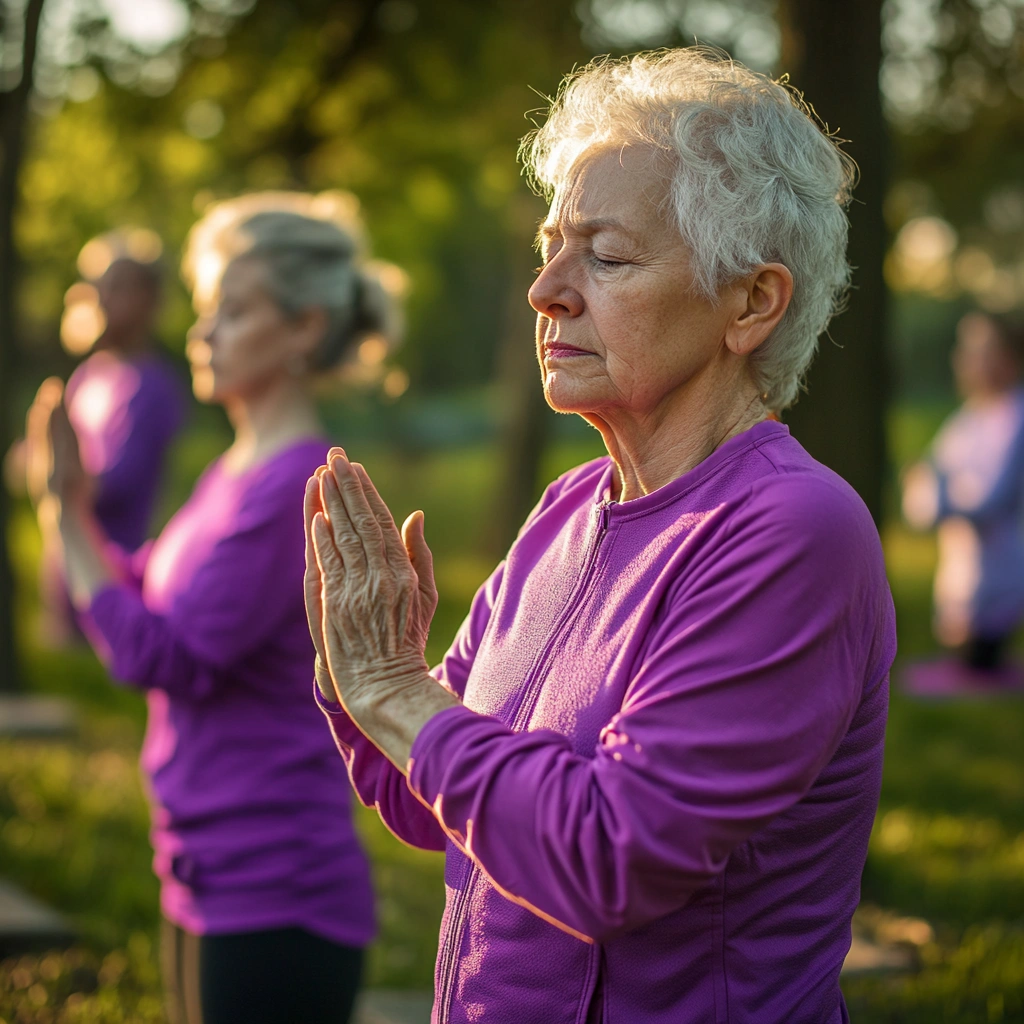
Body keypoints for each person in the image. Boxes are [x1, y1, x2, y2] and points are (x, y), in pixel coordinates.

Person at [304, 49, 896, 1024]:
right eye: (550, 246)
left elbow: (604, 859)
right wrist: (357, 663)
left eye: (606, 256)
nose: (546, 290)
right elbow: (433, 800)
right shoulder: (566, 510)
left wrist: (395, 692)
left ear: (751, 303)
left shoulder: (794, 531)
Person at [27, 192, 400, 1024]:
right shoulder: (236, 469)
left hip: (274, 888)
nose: (202, 333)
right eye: (205, 312)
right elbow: (138, 590)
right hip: (202, 865)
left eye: (233, 313)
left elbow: (165, 657)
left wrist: (63, 513)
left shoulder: (293, 486)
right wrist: (76, 514)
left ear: (303, 329)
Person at [41, 230, 187, 644]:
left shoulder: (153, 385)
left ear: (150, 299)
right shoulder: (88, 375)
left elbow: (121, 481)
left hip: (114, 569)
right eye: (101, 285)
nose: (106, 296)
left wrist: (59, 476)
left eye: (121, 286)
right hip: (65, 566)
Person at [902, 311, 1024, 673]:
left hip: (995, 575)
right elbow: (928, 479)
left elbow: (993, 499)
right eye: (966, 349)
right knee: (959, 664)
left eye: (982, 349)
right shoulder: (968, 419)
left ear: (1010, 357)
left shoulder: (1015, 419)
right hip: (959, 574)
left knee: (977, 668)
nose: (968, 359)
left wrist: (940, 495)